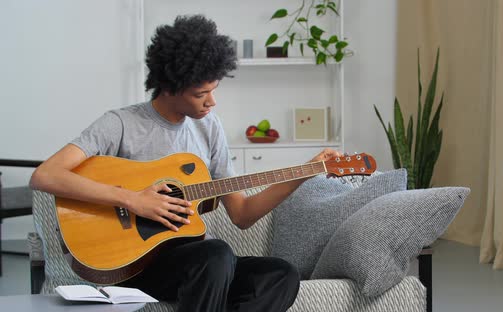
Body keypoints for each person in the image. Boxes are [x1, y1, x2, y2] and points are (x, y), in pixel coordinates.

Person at [30, 14, 342, 312]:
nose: (211, 102)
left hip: (197, 265)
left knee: (281, 275)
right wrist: (134, 199)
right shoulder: (121, 123)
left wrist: (307, 172)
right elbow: (46, 175)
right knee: (217, 254)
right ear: (169, 86)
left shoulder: (209, 128)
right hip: (133, 264)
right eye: (200, 93)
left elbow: (243, 214)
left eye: (213, 90)